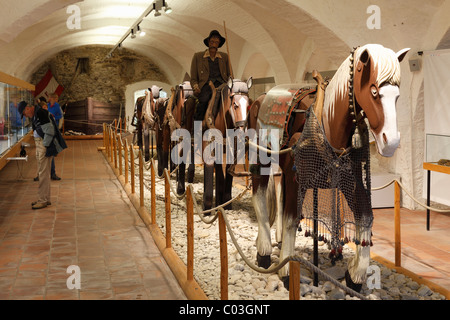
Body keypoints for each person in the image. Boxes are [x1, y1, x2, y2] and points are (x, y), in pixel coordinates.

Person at [18, 101, 64, 209]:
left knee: (42, 174)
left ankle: (42, 200)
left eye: (24, 113)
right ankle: (46, 198)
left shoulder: (40, 113)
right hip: (41, 143)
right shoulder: (37, 113)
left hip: (43, 144)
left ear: (28, 108)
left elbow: (50, 131)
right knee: (44, 173)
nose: (25, 116)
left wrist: (45, 146)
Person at [190, 30, 232, 121]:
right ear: (208, 42)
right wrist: (196, 87)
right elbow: (193, 78)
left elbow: (229, 75)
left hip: (222, 84)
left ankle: (233, 128)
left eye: (216, 42)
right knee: (203, 102)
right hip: (206, 85)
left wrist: (231, 83)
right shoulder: (198, 56)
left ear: (219, 44)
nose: (214, 44)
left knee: (232, 102)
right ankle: (197, 130)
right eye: (212, 41)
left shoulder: (224, 57)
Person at [47, 94, 62, 180]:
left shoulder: (57, 106)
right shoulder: (47, 105)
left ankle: (55, 150)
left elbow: (60, 115)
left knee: (54, 141)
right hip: (47, 126)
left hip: (54, 125)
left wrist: (54, 117)